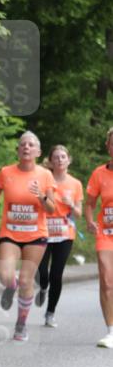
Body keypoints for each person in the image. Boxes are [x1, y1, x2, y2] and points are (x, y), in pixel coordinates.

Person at [0, 131, 56, 342]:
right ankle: (11, 286)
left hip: (36, 235)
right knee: (5, 275)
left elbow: (51, 209)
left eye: (30, 144)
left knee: (27, 279)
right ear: (17, 150)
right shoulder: (6, 172)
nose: (26, 147)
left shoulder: (45, 175)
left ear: (38, 151)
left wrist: (40, 196)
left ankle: (21, 325)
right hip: (11, 233)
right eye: (22, 144)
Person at [35, 145, 83, 327]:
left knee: (57, 274)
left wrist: (72, 204)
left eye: (63, 157)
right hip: (43, 231)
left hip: (64, 234)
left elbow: (78, 214)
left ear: (68, 160)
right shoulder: (43, 180)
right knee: (42, 272)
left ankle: (50, 313)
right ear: (50, 161)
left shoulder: (75, 184)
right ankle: (43, 286)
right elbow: (37, 202)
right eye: (56, 157)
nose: (60, 160)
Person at [84, 127, 113, 350]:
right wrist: (90, 220)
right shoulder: (99, 174)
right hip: (106, 233)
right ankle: (110, 332)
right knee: (106, 281)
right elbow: (90, 203)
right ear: (108, 146)